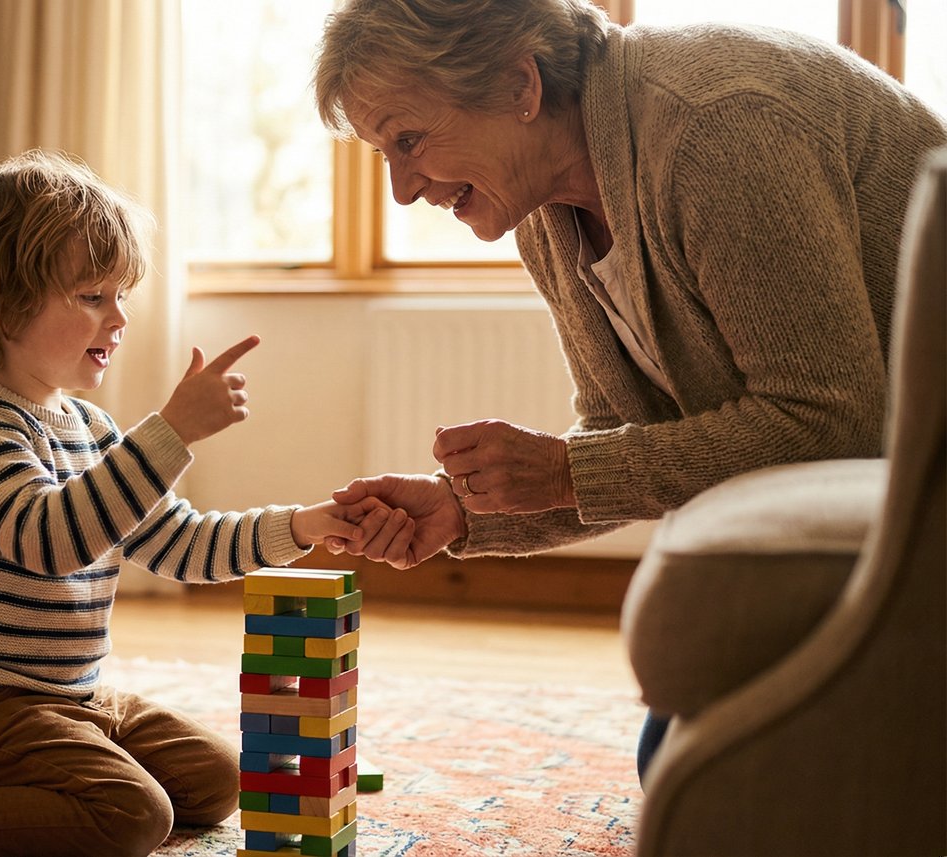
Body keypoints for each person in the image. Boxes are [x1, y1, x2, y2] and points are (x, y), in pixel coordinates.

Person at [310, 0, 947, 778]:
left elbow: (834, 423)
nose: (403, 191)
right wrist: (459, 509)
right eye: (385, 154)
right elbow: (622, 429)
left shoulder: (714, 123)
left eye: (409, 140)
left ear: (520, 84)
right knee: (680, 764)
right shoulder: (546, 208)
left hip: (917, 495)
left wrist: (562, 470)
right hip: (876, 499)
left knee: (704, 766)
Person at [0, 149, 381, 856]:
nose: (121, 317)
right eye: (93, 296)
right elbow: (49, 540)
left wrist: (307, 525)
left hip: (68, 695)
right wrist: (171, 432)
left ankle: (33, 775)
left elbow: (181, 543)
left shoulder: (93, 431)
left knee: (219, 780)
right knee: (132, 817)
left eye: (120, 294)